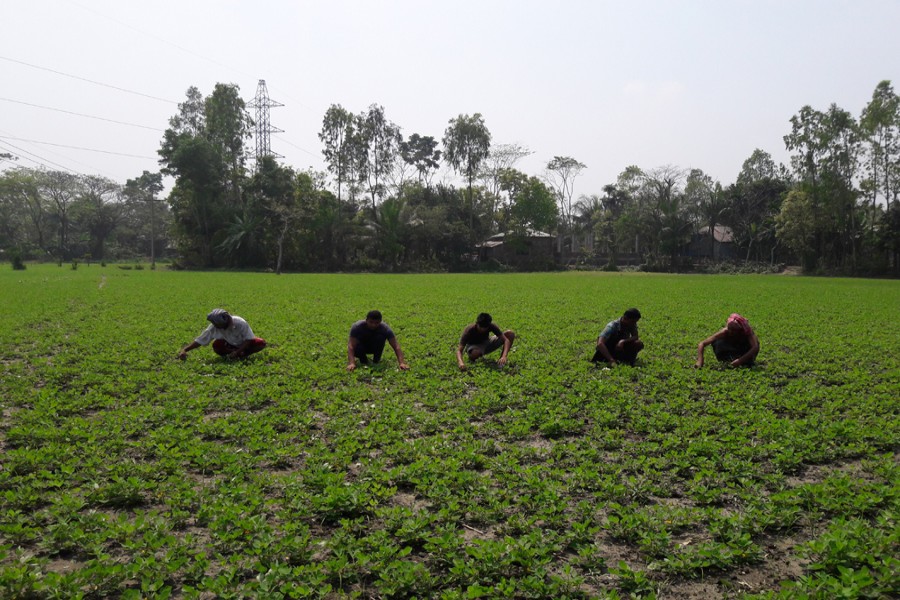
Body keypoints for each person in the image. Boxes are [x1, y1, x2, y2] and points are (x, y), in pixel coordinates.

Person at [177, 308, 267, 360]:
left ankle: (243, 354)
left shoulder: (240, 323)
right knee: (217, 345)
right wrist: (185, 350)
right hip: (230, 346)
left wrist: (238, 351)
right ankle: (236, 354)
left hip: (245, 344)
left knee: (261, 343)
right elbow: (201, 340)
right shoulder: (214, 326)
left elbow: (249, 339)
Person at [695, 313, 759, 368]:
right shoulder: (725, 332)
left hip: (744, 351)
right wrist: (700, 360)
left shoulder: (747, 333)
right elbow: (702, 343)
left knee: (748, 360)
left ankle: (746, 362)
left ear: (740, 330)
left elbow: (755, 347)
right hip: (733, 349)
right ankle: (727, 360)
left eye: (734, 330)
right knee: (717, 342)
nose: (731, 332)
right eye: (730, 329)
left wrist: (740, 361)